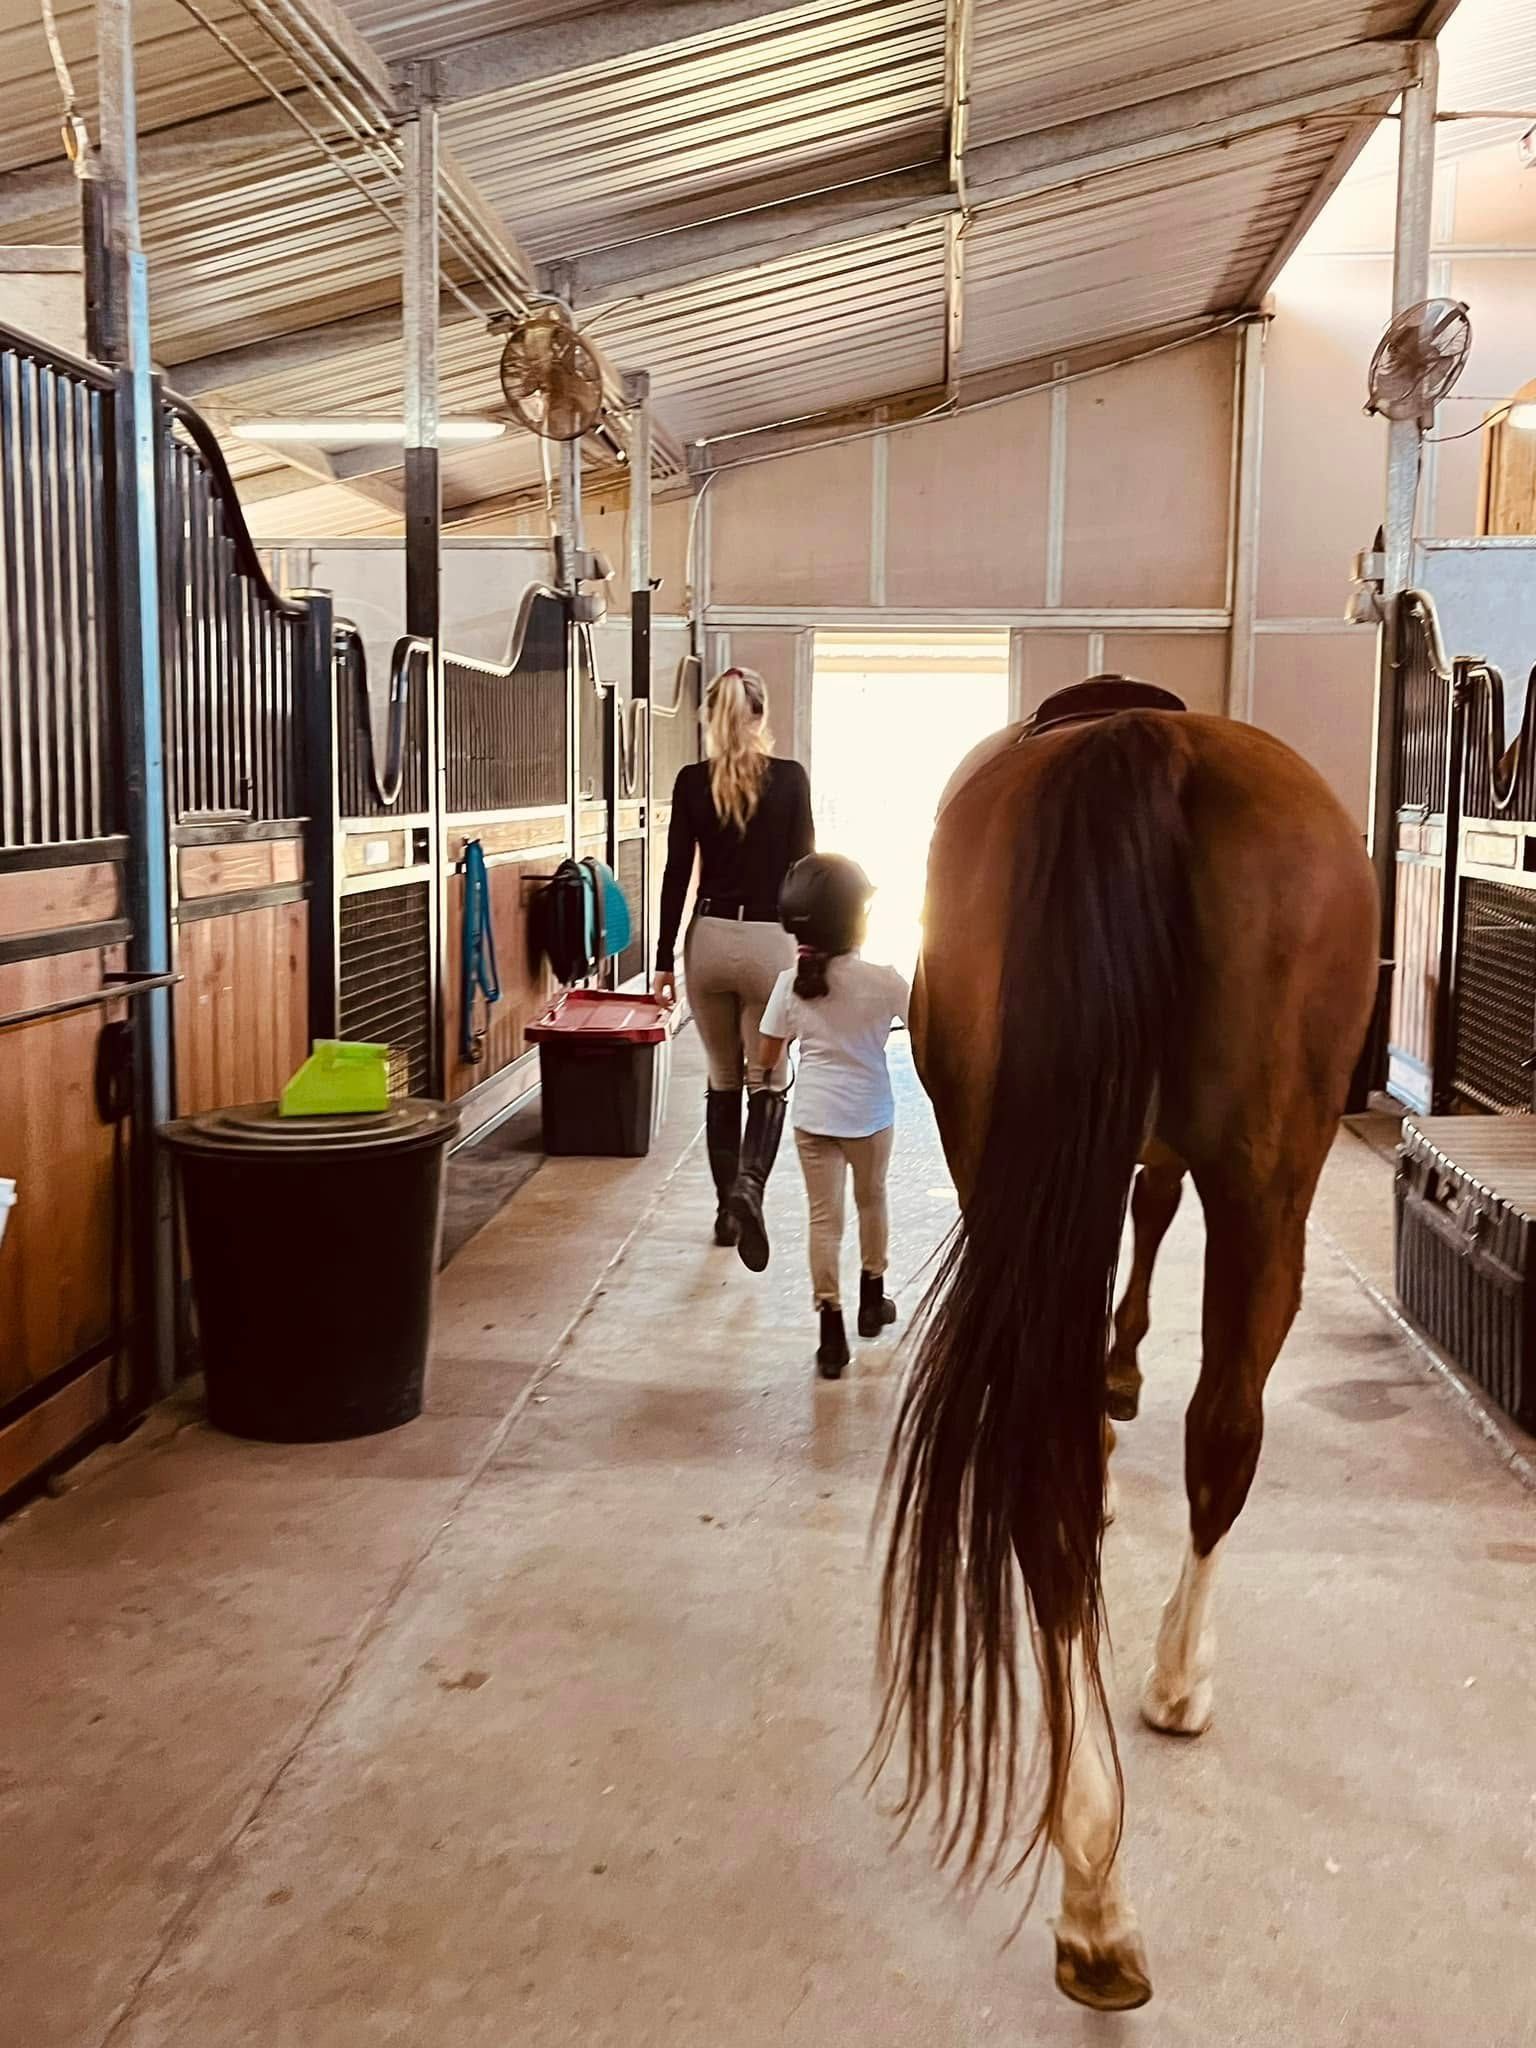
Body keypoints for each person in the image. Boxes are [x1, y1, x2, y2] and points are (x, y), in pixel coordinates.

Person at [652, 665, 813, 1259]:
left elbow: (675, 875)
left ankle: (725, 1214)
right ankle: (751, 1187)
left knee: (721, 1079)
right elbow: (805, 871)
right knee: (766, 1077)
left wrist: (665, 959)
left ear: (709, 719)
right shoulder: (791, 780)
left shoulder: (692, 782)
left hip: (710, 939)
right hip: (772, 940)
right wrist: (811, 950)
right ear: (761, 715)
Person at [755, 854, 909, 1379]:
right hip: (871, 1114)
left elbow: (768, 1058)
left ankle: (830, 1337)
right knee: (873, 1202)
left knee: (825, 1221)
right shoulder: (885, 981)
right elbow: (927, 1028)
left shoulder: (788, 983)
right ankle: (873, 1300)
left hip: (813, 1118)